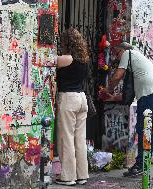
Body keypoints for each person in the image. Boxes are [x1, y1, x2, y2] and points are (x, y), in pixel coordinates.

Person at [101, 42, 153, 177]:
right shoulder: (139, 61)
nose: (117, 58)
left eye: (117, 54)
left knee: (143, 130)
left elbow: (117, 76)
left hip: (148, 96)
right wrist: (113, 97)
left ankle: (141, 165)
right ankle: (144, 164)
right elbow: (129, 93)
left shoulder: (128, 54)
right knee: (148, 131)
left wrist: (107, 90)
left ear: (122, 50)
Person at [54, 28, 89, 186]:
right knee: (79, 140)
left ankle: (68, 177)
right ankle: (82, 175)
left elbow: (46, 60)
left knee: (66, 139)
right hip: (82, 98)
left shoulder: (66, 59)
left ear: (66, 42)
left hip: (69, 99)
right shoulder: (83, 59)